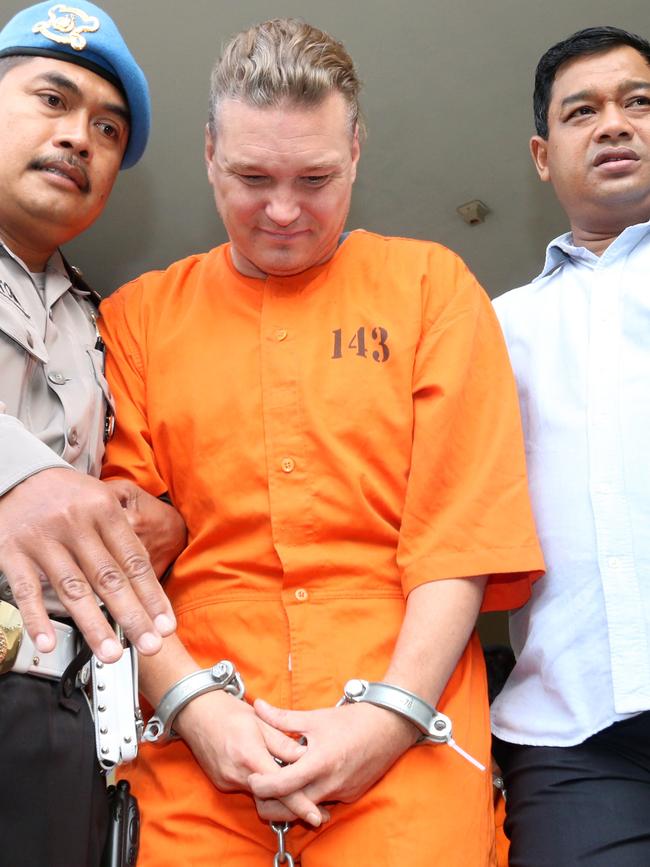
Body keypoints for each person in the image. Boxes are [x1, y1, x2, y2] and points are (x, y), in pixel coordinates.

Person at [100, 18, 543, 867]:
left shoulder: (433, 289)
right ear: (206, 155)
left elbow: (462, 532)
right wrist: (197, 708)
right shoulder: (137, 319)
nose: (283, 210)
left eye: (315, 178)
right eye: (251, 177)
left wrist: (385, 719)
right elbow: (119, 557)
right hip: (193, 744)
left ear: (358, 153)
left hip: (411, 728)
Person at [0, 3, 183, 866]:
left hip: (56, 708)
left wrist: (162, 523)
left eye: (106, 129)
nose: (79, 137)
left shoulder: (105, 321)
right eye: (51, 99)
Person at [491, 26, 650, 867]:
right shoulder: (492, 327)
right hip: (570, 736)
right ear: (543, 155)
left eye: (639, 103)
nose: (615, 124)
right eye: (582, 111)